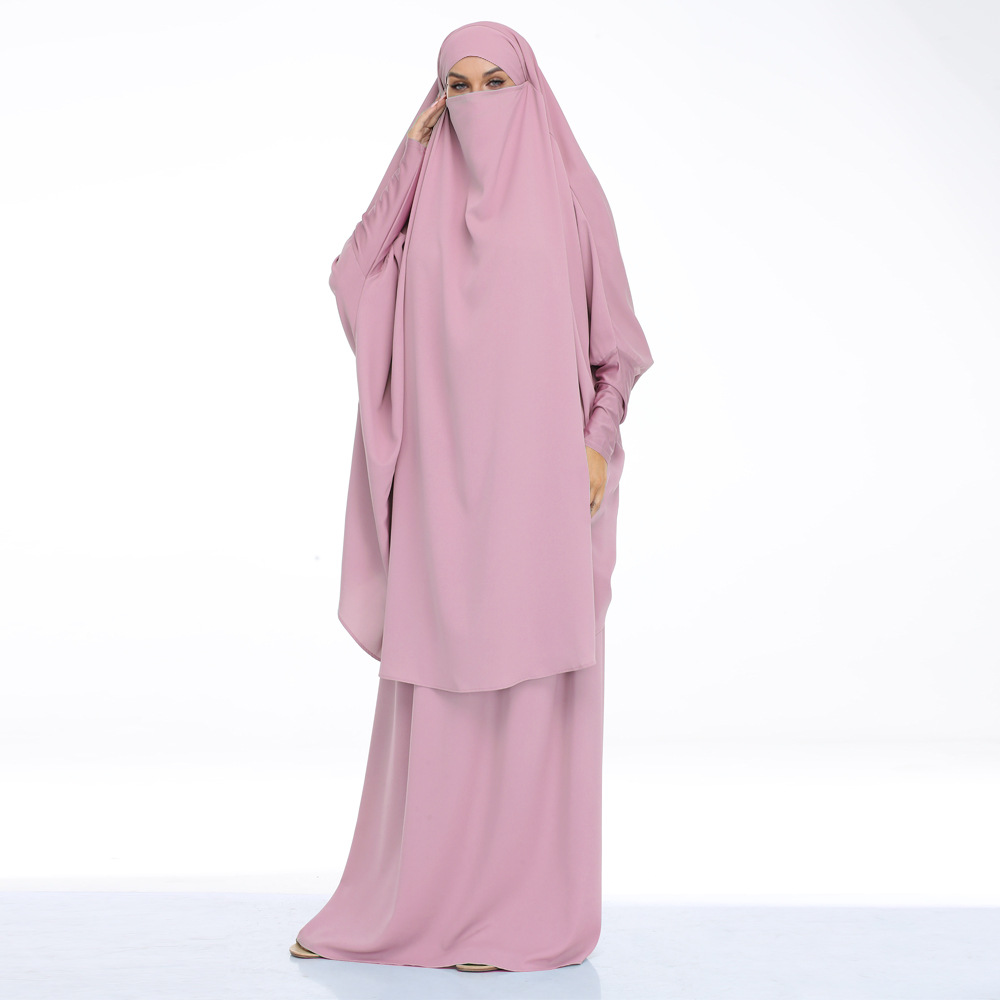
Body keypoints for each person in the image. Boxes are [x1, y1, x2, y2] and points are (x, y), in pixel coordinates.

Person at [290, 20, 654, 974]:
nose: (480, 102)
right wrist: (408, 158)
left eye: (499, 83)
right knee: (442, 690)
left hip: (541, 489)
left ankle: (523, 919)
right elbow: (350, 278)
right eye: (459, 86)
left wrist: (595, 444)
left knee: (531, 687)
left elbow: (618, 349)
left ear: (532, 90)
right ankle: (416, 910)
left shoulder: (571, 200)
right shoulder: (423, 201)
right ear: (437, 100)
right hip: (441, 490)